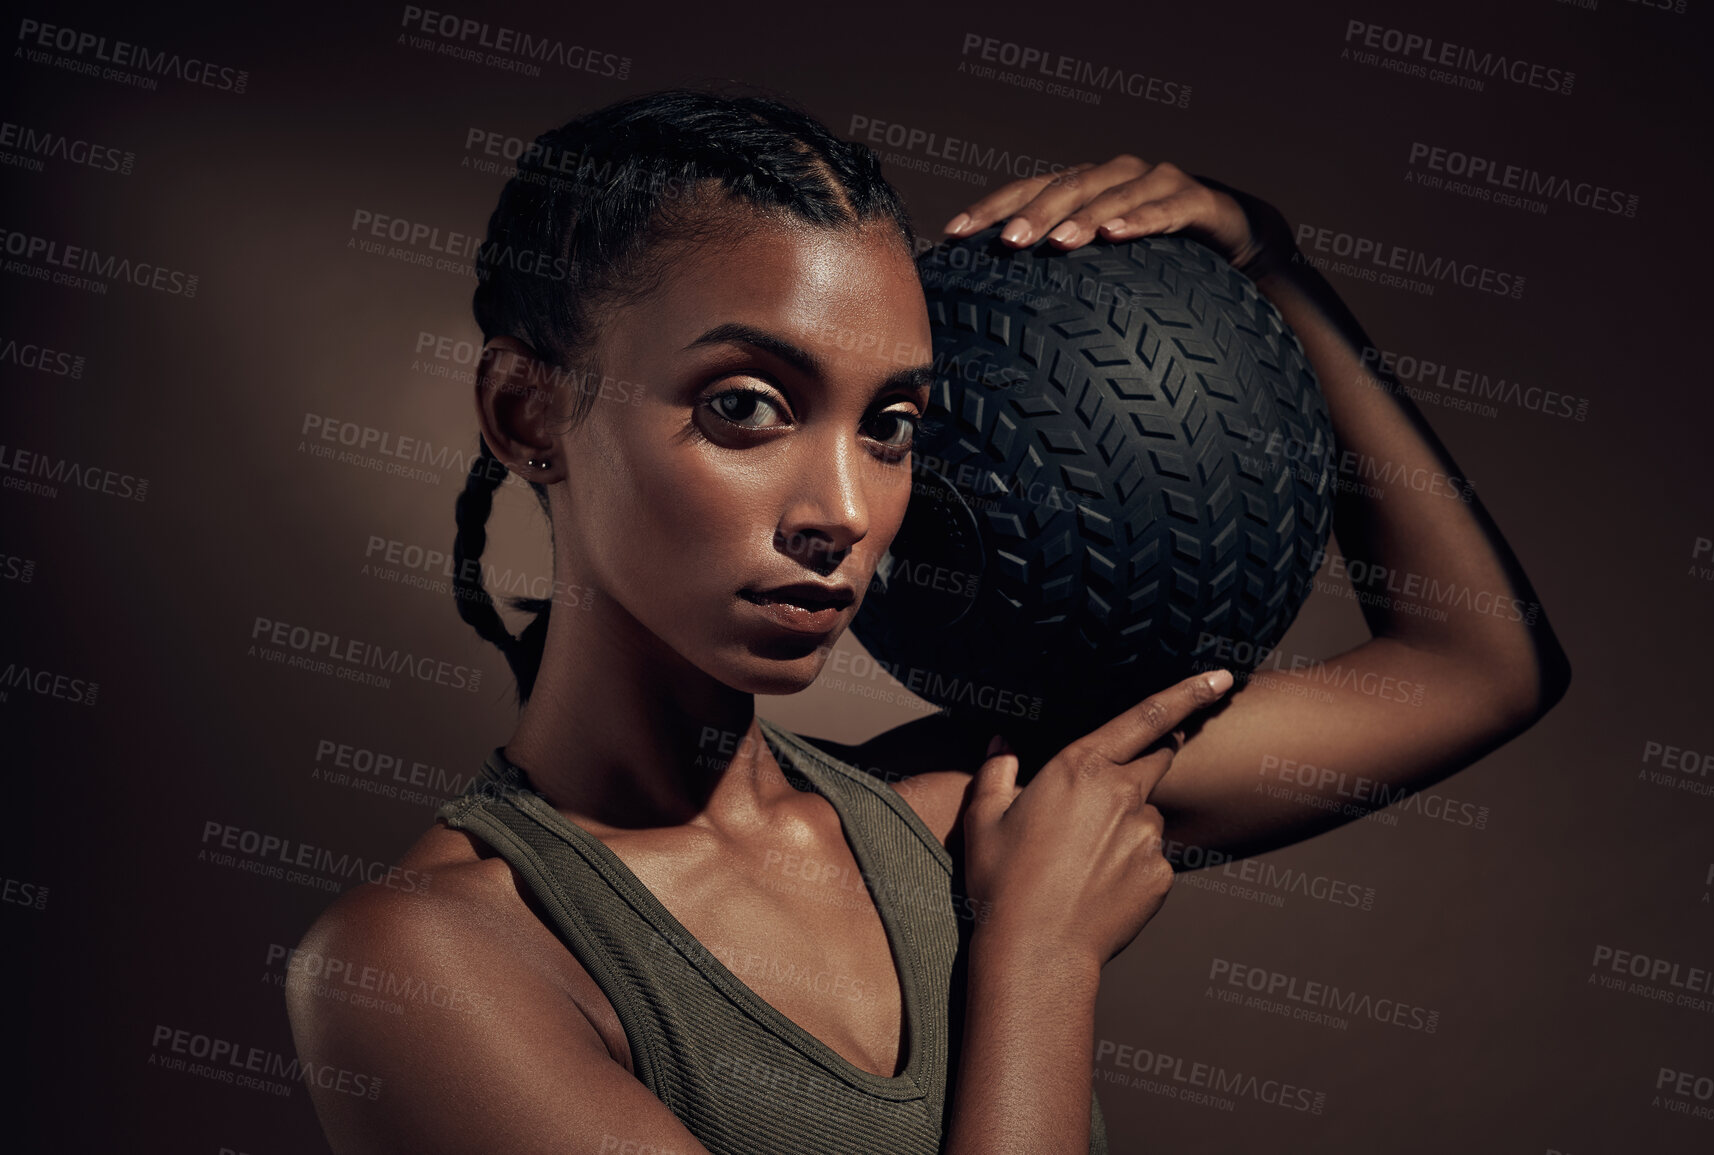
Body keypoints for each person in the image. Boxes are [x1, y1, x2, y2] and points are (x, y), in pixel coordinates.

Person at [286, 87, 1569, 1155]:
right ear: (526, 416)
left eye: (890, 424)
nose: (843, 509)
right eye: (745, 405)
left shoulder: (955, 816)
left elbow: (1474, 663)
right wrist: (1041, 966)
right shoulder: (428, 966)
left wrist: (1264, 261)